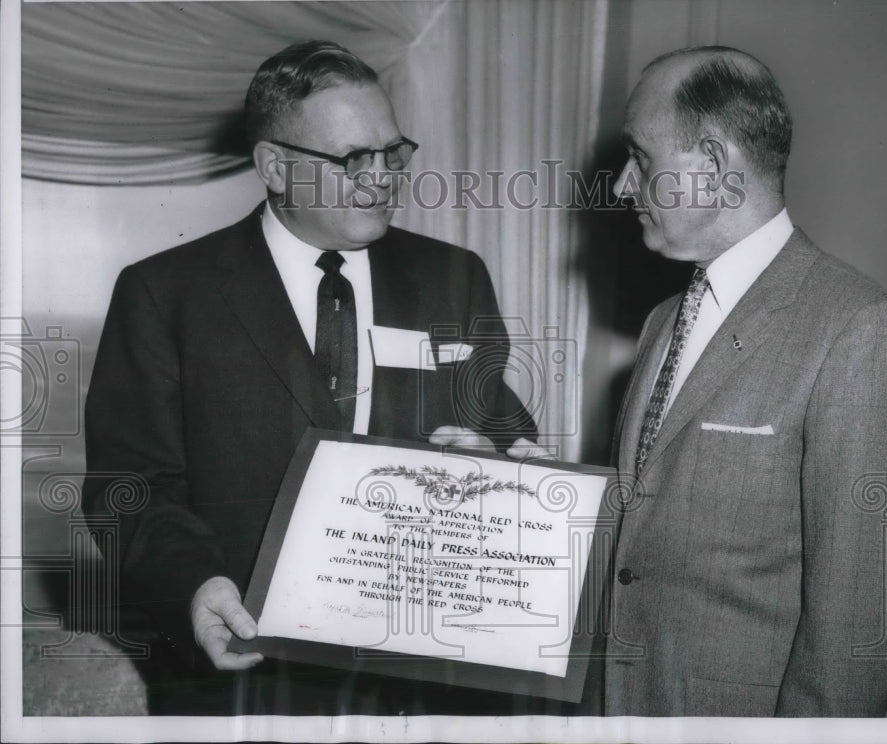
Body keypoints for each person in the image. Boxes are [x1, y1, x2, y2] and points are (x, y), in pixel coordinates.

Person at [82, 40, 546, 716]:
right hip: (249, 677)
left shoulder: (454, 276)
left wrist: (505, 470)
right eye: (355, 158)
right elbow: (130, 488)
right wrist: (195, 585)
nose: (383, 178)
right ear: (275, 166)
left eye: (394, 154)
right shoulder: (165, 294)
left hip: (427, 684)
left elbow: (505, 430)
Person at [603, 46, 887, 716]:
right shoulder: (662, 322)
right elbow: (639, 544)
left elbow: (864, 631)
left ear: (716, 163)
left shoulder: (861, 327)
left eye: (640, 157)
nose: (621, 187)